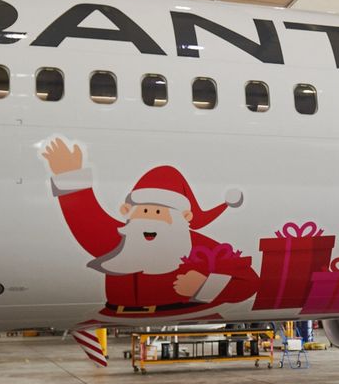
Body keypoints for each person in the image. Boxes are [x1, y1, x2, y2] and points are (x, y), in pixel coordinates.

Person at [41, 137, 258, 320]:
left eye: (159, 213)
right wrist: (70, 177)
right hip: (115, 314)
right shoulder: (123, 241)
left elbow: (249, 282)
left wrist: (204, 285)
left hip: (188, 311)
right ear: (127, 210)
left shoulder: (200, 248)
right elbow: (87, 224)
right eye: (144, 212)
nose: (151, 221)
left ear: (185, 217)